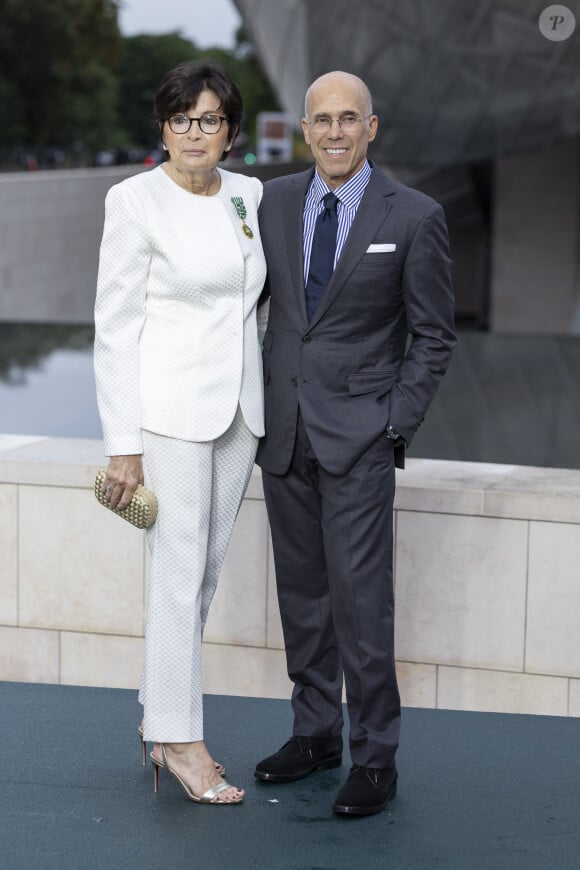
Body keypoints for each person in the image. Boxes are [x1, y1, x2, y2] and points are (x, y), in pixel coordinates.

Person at [254, 71, 456, 816]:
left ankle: (375, 757)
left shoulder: (415, 214)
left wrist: (394, 423)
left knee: (363, 606)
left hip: (361, 441)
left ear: (373, 128)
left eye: (349, 119)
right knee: (302, 600)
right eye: (321, 121)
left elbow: (434, 336)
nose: (334, 132)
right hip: (283, 438)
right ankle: (315, 735)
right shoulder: (271, 202)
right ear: (304, 129)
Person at [94, 61, 267, 805]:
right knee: (174, 576)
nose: (196, 133)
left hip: (241, 414)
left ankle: (159, 720)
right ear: (163, 126)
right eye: (182, 118)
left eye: (210, 119)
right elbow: (114, 327)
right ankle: (179, 740)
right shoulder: (133, 201)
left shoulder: (248, 195)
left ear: (231, 131)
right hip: (168, 416)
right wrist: (122, 443)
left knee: (201, 576)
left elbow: (256, 303)